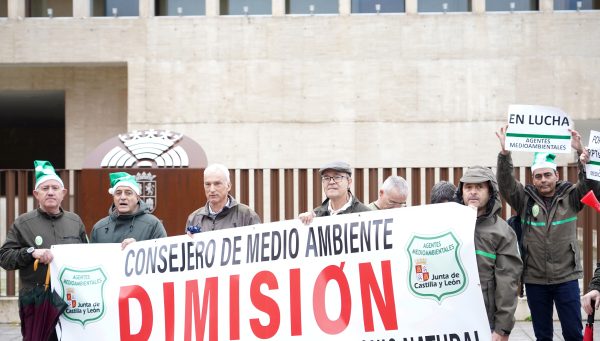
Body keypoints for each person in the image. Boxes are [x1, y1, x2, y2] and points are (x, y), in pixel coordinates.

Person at [496, 125, 596, 341]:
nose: (543, 180)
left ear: (556, 174)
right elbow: (505, 185)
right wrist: (505, 155)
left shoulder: (571, 196)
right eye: (538, 176)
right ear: (533, 178)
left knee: (572, 333)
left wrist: (581, 155)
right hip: (535, 280)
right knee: (542, 336)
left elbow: (588, 186)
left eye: (547, 175)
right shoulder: (523, 200)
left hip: (566, 278)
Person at [0, 160, 88, 340]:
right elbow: (5, 258)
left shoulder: (75, 221)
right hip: (36, 300)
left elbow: (87, 256)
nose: (50, 192)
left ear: (63, 193)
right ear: (36, 194)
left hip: (72, 299)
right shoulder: (23, 223)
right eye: (45, 188)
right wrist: (31, 253)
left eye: (55, 188)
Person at [456, 166, 522, 340]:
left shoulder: (503, 232)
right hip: (453, 318)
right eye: (468, 187)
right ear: (461, 192)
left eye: (479, 187)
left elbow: (508, 282)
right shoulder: (449, 225)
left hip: (487, 320)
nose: (473, 192)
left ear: (490, 191)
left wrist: (502, 328)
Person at [91, 172, 166, 249]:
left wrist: (138, 248)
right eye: (118, 193)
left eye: (128, 193)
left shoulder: (153, 225)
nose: (123, 197)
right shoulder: (99, 228)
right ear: (113, 197)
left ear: (137, 198)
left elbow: (163, 255)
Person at [186, 163, 261, 233]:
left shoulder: (246, 215)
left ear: (228, 186)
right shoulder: (194, 218)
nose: (212, 189)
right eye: (208, 184)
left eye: (217, 184)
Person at [298, 161, 370, 224]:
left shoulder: (366, 215)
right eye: (326, 178)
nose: (331, 182)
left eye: (337, 177)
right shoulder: (316, 216)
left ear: (349, 182)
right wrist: (304, 223)